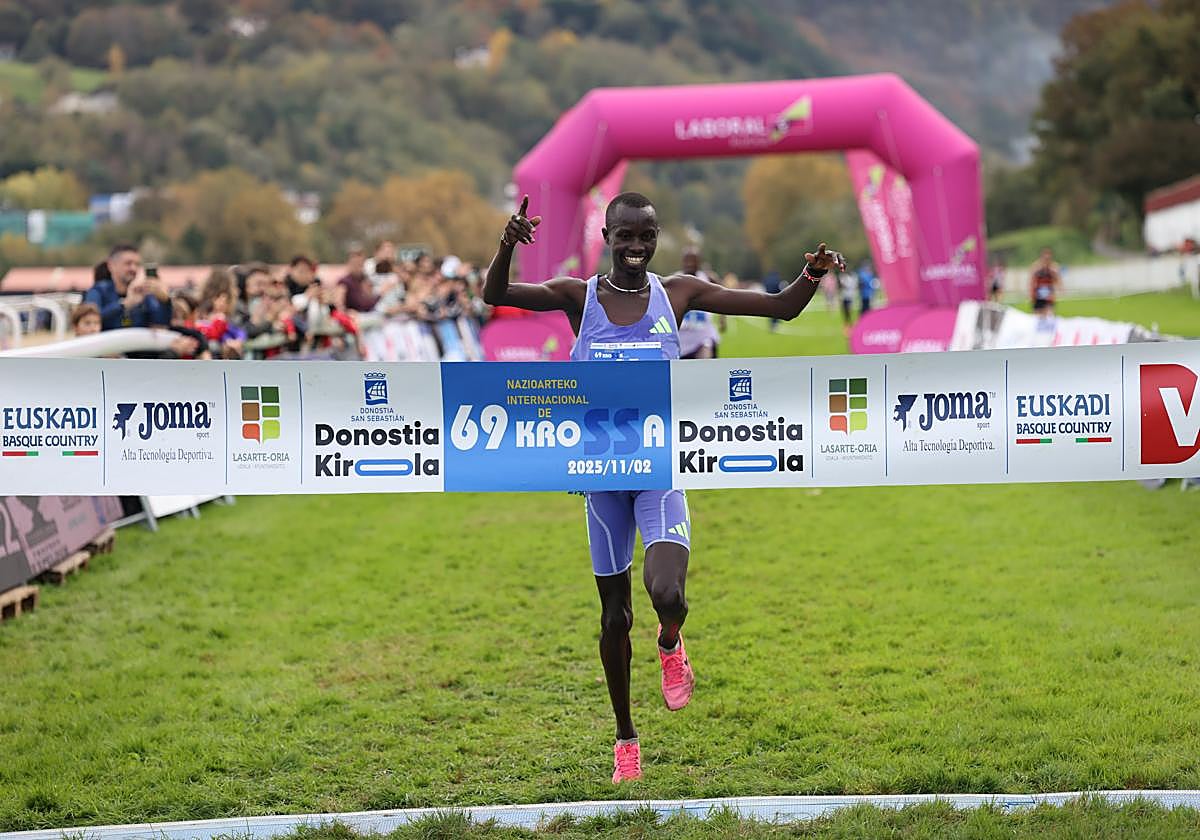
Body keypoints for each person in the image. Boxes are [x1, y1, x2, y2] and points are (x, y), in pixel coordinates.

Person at [483, 191, 844, 784]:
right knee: (613, 617)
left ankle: (671, 641)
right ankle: (626, 737)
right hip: (600, 480)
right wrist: (506, 245)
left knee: (667, 593)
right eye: (625, 236)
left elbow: (781, 308)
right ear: (607, 235)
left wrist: (812, 273)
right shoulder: (581, 298)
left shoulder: (675, 294)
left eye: (646, 236)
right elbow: (495, 296)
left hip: (659, 470)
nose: (635, 247)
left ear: (657, 239)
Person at [82, 244, 171, 330]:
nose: (133, 268)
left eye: (137, 264)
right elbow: (90, 321)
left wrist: (165, 300)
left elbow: (161, 323)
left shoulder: (144, 294)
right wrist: (124, 304)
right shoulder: (98, 291)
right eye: (128, 263)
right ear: (111, 265)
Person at [677, 247, 724, 357]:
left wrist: (723, 318)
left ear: (699, 262)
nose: (690, 264)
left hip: (702, 333)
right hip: (682, 335)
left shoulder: (708, 278)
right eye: (687, 260)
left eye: (693, 260)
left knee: (705, 360)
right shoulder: (673, 280)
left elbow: (723, 295)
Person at [1030, 248, 1061, 316]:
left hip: (1049, 294)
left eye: (1048, 256)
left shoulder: (1054, 266)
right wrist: (1031, 293)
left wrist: (1052, 272)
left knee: (1050, 314)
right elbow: (1032, 280)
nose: (1046, 258)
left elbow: (1057, 280)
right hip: (1038, 294)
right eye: (1045, 256)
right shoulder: (1036, 266)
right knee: (1037, 315)